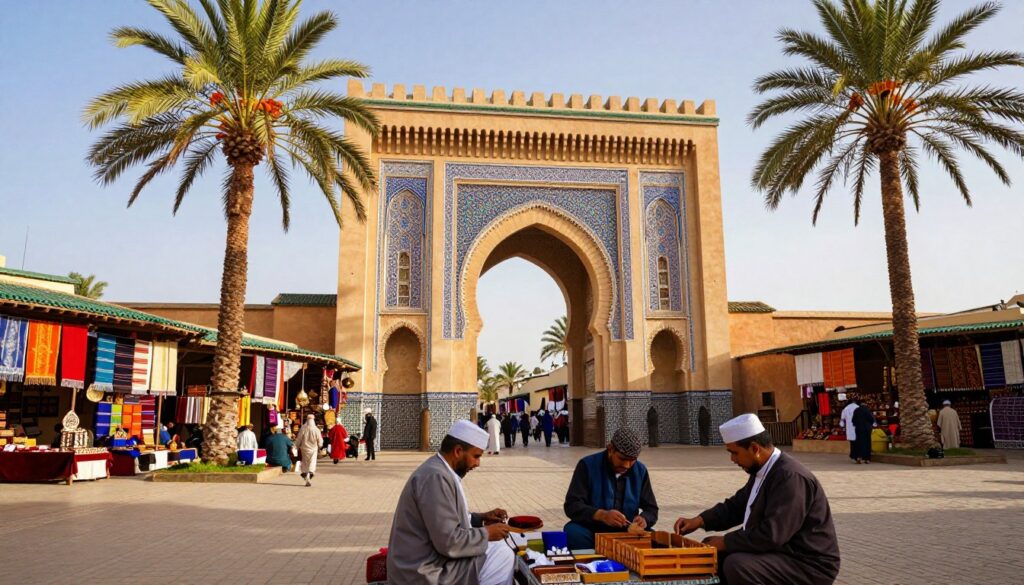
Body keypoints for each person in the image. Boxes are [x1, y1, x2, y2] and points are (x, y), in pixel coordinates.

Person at [673, 414, 840, 585]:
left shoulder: (790, 477)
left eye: (734, 452)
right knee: (712, 551)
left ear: (755, 449)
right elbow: (737, 506)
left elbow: (772, 534)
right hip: (782, 552)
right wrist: (700, 521)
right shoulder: (764, 470)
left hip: (808, 563)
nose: (733, 459)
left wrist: (726, 541)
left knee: (737, 565)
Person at [387, 420, 514, 585]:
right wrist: (487, 533)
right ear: (458, 451)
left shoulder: (441, 470)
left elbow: (445, 520)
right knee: (501, 556)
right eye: (476, 456)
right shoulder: (436, 477)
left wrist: (480, 519)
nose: (477, 463)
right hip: (422, 571)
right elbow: (448, 542)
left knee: (498, 550)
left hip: (428, 560)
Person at [563, 427, 659, 550]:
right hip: (594, 531)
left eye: (632, 461)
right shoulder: (587, 466)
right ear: (610, 450)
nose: (627, 465)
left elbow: (652, 509)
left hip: (626, 534)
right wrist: (602, 515)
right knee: (572, 532)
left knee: (654, 538)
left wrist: (644, 519)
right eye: (622, 459)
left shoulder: (640, 471)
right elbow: (572, 505)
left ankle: (618, 552)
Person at [296, 414, 323, 487]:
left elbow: (299, 439)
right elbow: (320, 440)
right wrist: (320, 445)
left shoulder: (303, 428)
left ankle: (305, 473)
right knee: (312, 462)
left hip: (304, 448)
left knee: (305, 462)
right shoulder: (316, 429)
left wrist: (296, 446)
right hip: (313, 449)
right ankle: (310, 474)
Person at [839, 398, 859, 463]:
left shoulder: (846, 409)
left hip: (850, 427)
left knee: (852, 442)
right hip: (857, 427)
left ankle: (853, 454)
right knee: (857, 442)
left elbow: (842, 419)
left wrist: (842, 426)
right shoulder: (858, 407)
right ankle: (856, 455)